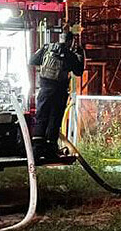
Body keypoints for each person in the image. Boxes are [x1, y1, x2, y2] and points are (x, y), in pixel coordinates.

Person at [29, 30, 84, 160]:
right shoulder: (69, 54)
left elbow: (32, 60)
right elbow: (78, 71)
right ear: (70, 41)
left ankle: (36, 149)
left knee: (41, 117)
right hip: (59, 91)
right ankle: (50, 149)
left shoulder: (47, 48)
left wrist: (44, 50)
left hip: (44, 90)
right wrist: (80, 54)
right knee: (55, 118)